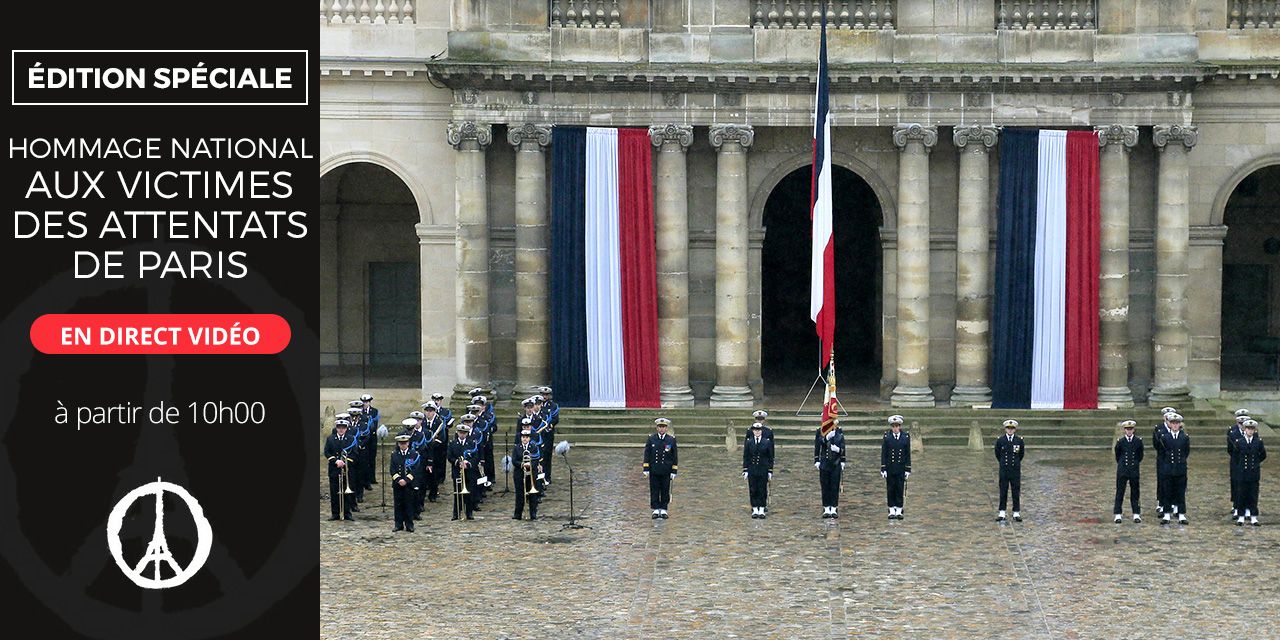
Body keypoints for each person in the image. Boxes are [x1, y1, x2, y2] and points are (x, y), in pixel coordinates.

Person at [1156, 413, 1190, 525]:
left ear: (1180, 424)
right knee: (1167, 492)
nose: (1175, 425)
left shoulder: (1184, 437)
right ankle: (1166, 514)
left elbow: (1186, 452)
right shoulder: (1164, 437)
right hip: (1168, 469)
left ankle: (1181, 514)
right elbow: (1161, 453)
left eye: (1177, 423)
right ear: (1170, 424)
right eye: (1173, 423)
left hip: (1180, 469)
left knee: (1180, 492)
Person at [1232, 419, 1266, 526]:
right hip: (1243, 473)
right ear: (1245, 429)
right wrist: (1241, 467)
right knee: (1241, 494)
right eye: (1248, 429)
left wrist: (1255, 464)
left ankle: (1253, 516)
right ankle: (1241, 516)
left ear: (1254, 430)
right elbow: (1235, 457)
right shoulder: (1239, 442)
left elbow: (1263, 455)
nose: (1250, 431)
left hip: (1254, 473)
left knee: (1253, 495)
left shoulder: (1258, 442)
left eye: (1252, 429)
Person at [643, 417, 678, 519]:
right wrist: (646, 468)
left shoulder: (671, 440)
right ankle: (655, 508)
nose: (662, 429)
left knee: (665, 489)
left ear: (666, 428)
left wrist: (674, 470)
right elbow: (647, 454)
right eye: (660, 427)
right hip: (654, 469)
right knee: (654, 489)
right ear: (657, 428)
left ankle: (663, 508)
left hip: (666, 470)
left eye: (664, 427)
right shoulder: (651, 439)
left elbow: (674, 456)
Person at [323, 419, 356, 521]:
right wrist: (336, 461)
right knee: (334, 492)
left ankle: (347, 513)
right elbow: (327, 452)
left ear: (346, 428)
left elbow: (354, 453)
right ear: (336, 428)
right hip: (334, 469)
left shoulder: (351, 439)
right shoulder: (330, 439)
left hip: (346, 468)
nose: (341, 429)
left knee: (347, 492)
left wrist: (345, 462)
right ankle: (335, 513)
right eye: (339, 428)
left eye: (343, 428)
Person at [881, 415, 911, 520]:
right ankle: (891, 508)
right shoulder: (887, 437)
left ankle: (899, 508)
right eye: (893, 426)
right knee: (890, 488)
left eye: (897, 426)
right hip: (890, 467)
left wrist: (908, 468)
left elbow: (907, 454)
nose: (895, 428)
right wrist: (883, 468)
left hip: (900, 468)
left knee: (899, 488)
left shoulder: (905, 437)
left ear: (900, 426)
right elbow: (884, 453)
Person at [814, 419, 846, 519]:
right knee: (825, 486)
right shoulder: (821, 431)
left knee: (834, 486)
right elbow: (818, 444)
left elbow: (843, 446)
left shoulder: (839, 432)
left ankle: (834, 507)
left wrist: (842, 457)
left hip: (835, 463)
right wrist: (816, 459)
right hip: (824, 463)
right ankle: (826, 507)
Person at [1113, 420, 1143, 523]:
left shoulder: (1138, 441)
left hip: (1134, 470)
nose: (1129, 431)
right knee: (1120, 492)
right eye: (1127, 429)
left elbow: (1140, 456)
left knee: (1135, 492)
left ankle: (1136, 513)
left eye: (1131, 429)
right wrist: (1122, 465)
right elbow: (1118, 455)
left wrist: (1134, 464)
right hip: (1123, 470)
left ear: (1134, 430)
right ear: (1124, 430)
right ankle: (1118, 513)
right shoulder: (1120, 441)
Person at [448, 418, 479, 520]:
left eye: (464, 433)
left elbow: (476, 457)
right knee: (457, 493)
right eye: (460, 432)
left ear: (467, 433)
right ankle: (456, 513)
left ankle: (469, 512)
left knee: (469, 493)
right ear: (457, 432)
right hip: (457, 471)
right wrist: (458, 463)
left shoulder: (472, 443)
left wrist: (468, 464)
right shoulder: (453, 443)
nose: (462, 434)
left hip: (469, 472)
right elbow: (450, 457)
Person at [995, 419, 1025, 522]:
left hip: (1015, 470)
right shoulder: (1000, 440)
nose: (1010, 430)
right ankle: (1002, 512)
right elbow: (998, 454)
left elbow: (1021, 455)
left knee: (1015, 491)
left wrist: (1015, 464)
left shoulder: (1019, 441)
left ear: (1015, 429)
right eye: (1008, 428)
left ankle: (1016, 512)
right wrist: (1003, 464)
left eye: (1012, 428)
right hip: (1004, 470)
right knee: (1003, 490)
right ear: (1005, 429)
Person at [742, 422, 774, 519]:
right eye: (755, 430)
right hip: (752, 469)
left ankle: (762, 508)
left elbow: (770, 457)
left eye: (759, 430)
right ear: (753, 431)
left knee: (762, 489)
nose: (757, 432)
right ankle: (755, 508)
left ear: (761, 431)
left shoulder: (766, 442)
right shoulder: (749, 442)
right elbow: (746, 456)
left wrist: (770, 470)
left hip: (763, 469)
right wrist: (745, 469)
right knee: (753, 489)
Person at [512, 426, 543, 520]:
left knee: (533, 495)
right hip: (519, 473)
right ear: (521, 438)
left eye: (526, 437)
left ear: (529, 438)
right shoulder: (517, 448)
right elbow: (514, 460)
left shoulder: (533, 447)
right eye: (523, 437)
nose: (525, 439)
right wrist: (522, 464)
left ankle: (533, 513)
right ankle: (518, 514)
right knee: (519, 494)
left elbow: (536, 459)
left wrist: (530, 465)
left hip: (531, 473)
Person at [389, 434, 416, 532]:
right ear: (398, 444)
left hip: (409, 484)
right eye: (401, 443)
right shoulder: (394, 454)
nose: (403, 445)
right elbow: (392, 469)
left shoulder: (413, 454)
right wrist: (399, 480)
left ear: (408, 443)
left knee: (409, 504)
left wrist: (407, 480)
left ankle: (409, 524)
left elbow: (416, 469)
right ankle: (398, 524)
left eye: (405, 443)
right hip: (398, 484)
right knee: (398, 505)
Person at [1152, 407, 1176, 515]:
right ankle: (1161, 502)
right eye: (1167, 418)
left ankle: (1173, 502)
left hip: (1174, 460)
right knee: (1161, 481)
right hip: (1162, 459)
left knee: (1174, 481)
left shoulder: (1177, 429)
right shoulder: (1159, 429)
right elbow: (1156, 444)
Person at [1228, 409, 1249, 519]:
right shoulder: (1232, 432)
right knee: (1236, 483)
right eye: (1240, 423)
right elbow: (1230, 449)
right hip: (1236, 462)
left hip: (1248, 463)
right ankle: (1236, 505)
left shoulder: (1252, 432)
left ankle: (1247, 506)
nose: (1241, 425)